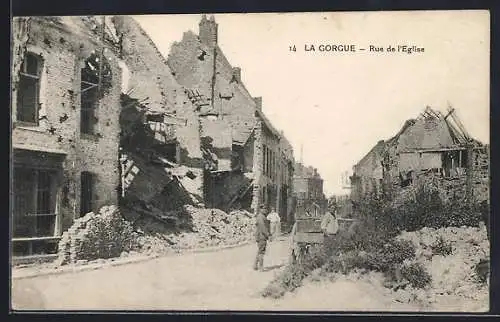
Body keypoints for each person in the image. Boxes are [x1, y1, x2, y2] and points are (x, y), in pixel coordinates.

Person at [254, 206, 270, 271]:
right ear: (261, 209)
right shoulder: (261, 217)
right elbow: (263, 227)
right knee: (261, 252)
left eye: (266, 209)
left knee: (260, 250)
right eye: (264, 209)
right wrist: (268, 235)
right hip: (261, 236)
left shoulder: (261, 216)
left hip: (260, 236)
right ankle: (261, 267)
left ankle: (255, 265)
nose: (265, 210)